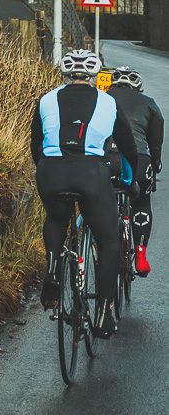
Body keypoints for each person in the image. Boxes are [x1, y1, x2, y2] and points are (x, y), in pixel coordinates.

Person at [32, 49, 137, 339]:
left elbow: (36, 145)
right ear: (94, 76)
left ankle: (53, 273)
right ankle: (104, 315)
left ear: (64, 74)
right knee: (108, 238)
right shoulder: (108, 102)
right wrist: (131, 180)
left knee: (56, 219)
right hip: (91, 173)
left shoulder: (46, 99)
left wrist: (45, 172)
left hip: (51, 171)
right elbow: (128, 146)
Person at [109, 67, 164, 276]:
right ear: (137, 87)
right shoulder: (149, 103)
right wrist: (156, 162)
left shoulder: (103, 99)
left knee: (101, 199)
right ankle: (140, 255)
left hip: (107, 159)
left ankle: (99, 245)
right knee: (141, 201)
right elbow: (155, 140)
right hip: (140, 161)